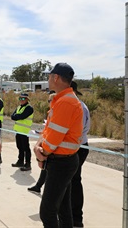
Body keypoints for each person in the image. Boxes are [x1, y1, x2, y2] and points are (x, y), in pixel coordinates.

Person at [33, 63, 83, 227]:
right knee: (63, 208)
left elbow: (54, 138)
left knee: (47, 212)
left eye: (49, 76)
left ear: (55, 77)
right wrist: (40, 146)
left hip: (61, 162)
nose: (47, 79)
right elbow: (49, 129)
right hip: (64, 160)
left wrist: (42, 152)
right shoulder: (62, 100)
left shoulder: (65, 102)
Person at [70, 81, 90, 228]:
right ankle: (70, 215)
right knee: (70, 181)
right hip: (76, 146)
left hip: (78, 147)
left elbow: (76, 132)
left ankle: (76, 218)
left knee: (74, 181)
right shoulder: (76, 105)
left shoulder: (79, 107)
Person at [28, 92, 56, 194]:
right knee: (45, 169)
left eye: (49, 101)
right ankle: (38, 186)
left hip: (52, 148)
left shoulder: (56, 113)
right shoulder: (51, 112)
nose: (48, 103)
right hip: (47, 144)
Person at [11, 93, 34, 171]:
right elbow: (12, 116)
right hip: (18, 130)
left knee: (26, 148)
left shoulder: (29, 108)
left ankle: (28, 164)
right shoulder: (19, 107)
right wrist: (17, 116)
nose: (21, 100)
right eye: (20, 99)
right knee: (19, 146)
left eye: (23, 99)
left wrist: (17, 116)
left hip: (25, 131)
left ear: (27, 99)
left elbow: (21, 116)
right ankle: (20, 161)